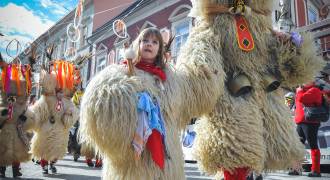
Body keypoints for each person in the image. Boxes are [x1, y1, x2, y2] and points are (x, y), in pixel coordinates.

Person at [293, 81, 325, 177]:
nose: (303, 81)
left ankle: (316, 170)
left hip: (310, 123)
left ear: (312, 81)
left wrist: (299, 91)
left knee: (313, 145)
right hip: (301, 121)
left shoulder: (315, 90)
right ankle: (297, 169)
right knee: (298, 146)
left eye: (307, 80)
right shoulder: (303, 90)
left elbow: (302, 99)